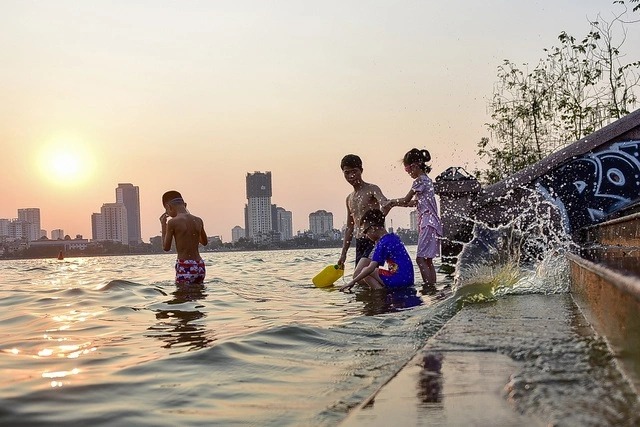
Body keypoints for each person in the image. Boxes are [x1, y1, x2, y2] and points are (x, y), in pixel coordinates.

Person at [384, 148, 442, 286]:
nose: (408, 173)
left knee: (420, 259)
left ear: (415, 165)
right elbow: (414, 203)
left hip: (427, 222)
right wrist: (394, 205)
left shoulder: (418, 181)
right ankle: (432, 287)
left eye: (408, 169)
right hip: (432, 222)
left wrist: (391, 202)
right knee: (428, 260)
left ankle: (428, 287)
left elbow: (405, 199)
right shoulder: (427, 180)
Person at [337, 154, 389, 283]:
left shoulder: (372, 189)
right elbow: (350, 227)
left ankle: (391, 286)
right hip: (359, 241)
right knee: (363, 281)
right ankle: (379, 296)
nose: (351, 176)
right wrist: (343, 254)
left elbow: (384, 203)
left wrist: (376, 223)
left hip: (374, 239)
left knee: (359, 275)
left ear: (361, 170)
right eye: (347, 173)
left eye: (354, 171)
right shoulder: (349, 198)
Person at [339, 209, 414, 291]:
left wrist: (352, 282)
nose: (366, 236)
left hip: (397, 280)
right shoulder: (394, 237)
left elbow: (371, 268)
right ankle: (383, 291)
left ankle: (379, 293)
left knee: (365, 271)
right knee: (369, 272)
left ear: (373, 228)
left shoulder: (381, 244)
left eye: (365, 231)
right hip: (409, 280)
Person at [160, 191, 209, 285]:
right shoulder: (198, 220)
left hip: (185, 265)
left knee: (182, 296)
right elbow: (204, 242)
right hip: (199, 265)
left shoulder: (173, 222)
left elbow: (166, 248)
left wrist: (163, 225)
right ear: (185, 205)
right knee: (198, 294)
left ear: (168, 207)